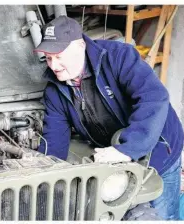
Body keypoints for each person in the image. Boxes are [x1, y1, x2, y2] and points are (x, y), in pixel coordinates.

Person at [35, 16, 183, 220]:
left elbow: (154, 97)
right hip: (115, 155)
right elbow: (54, 140)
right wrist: (42, 176)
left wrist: (126, 150)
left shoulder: (118, 57)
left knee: (163, 213)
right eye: (49, 57)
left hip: (158, 147)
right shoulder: (54, 91)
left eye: (59, 56)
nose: (54, 65)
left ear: (80, 46)